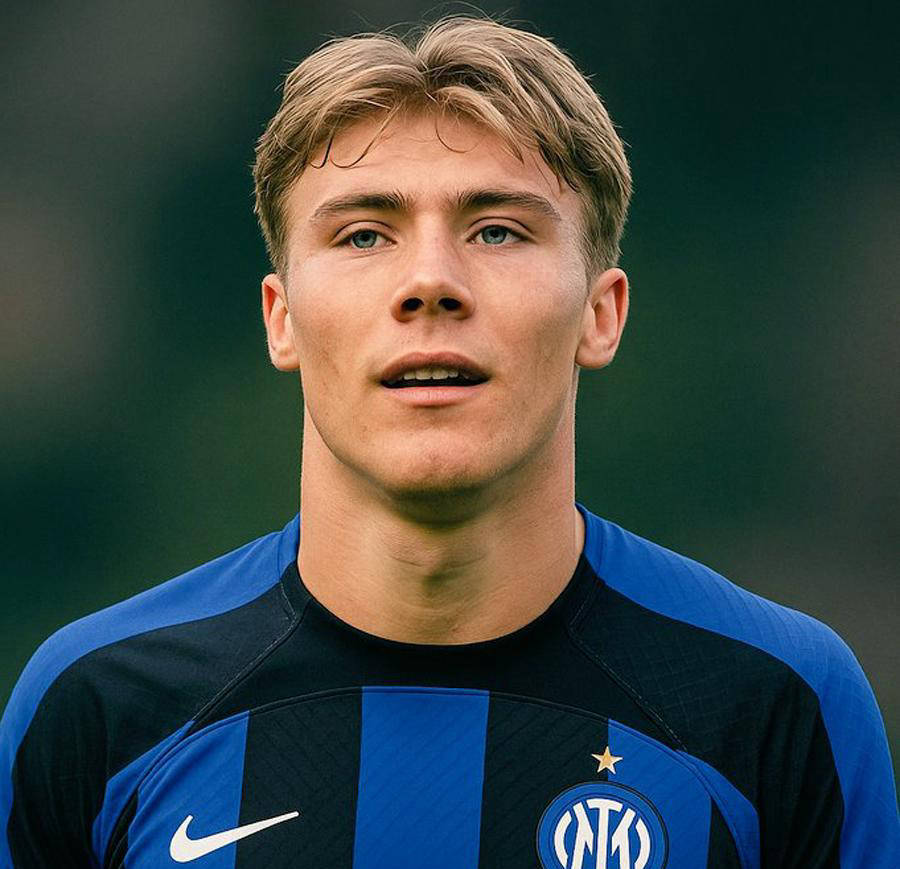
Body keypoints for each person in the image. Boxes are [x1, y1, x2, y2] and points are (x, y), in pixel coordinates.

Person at [0, 13, 896, 869]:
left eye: (498, 229)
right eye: (364, 234)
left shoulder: (776, 703)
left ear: (602, 312)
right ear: (282, 318)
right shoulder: (97, 708)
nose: (430, 280)